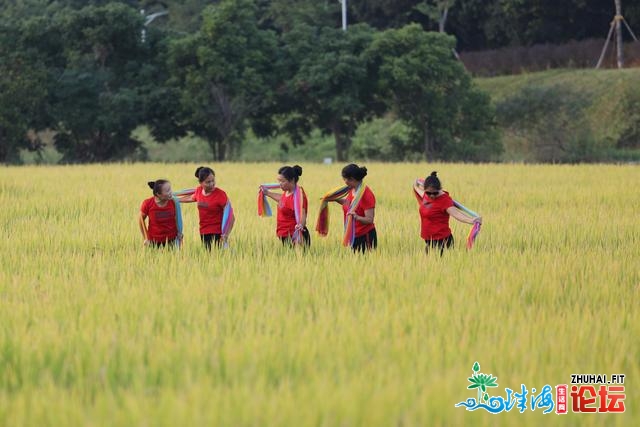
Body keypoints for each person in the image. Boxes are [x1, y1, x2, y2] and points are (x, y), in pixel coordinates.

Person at [414, 171, 482, 255]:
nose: (431, 195)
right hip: (429, 240)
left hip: (442, 241)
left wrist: (472, 220)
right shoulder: (425, 196)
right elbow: (416, 188)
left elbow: (456, 214)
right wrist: (416, 182)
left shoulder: (444, 200)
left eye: (435, 193)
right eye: (428, 193)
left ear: (439, 189)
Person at [179, 166, 235, 250]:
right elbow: (191, 198)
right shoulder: (198, 191)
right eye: (208, 182)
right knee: (208, 256)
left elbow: (231, 217)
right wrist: (174, 199)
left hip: (218, 232)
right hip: (204, 231)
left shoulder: (220, 194)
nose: (212, 184)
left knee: (218, 256)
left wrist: (226, 234)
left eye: (213, 181)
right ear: (201, 183)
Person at [261, 165, 310, 246]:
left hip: (295, 236)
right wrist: (268, 193)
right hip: (284, 235)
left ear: (292, 180)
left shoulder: (299, 196)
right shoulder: (287, 192)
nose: (280, 184)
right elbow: (284, 200)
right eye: (279, 181)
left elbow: (303, 214)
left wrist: (301, 225)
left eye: (282, 181)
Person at [335, 164, 377, 253]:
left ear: (353, 179)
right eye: (344, 179)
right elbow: (348, 204)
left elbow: (369, 219)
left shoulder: (366, 195)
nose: (345, 182)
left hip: (365, 236)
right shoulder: (352, 189)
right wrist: (334, 198)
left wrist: (357, 217)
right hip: (353, 235)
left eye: (347, 179)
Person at [139, 179, 182, 248]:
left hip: (172, 240)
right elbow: (140, 220)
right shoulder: (148, 203)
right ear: (158, 194)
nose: (171, 192)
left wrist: (179, 232)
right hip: (153, 242)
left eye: (170, 189)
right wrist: (146, 237)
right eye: (168, 191)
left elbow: (177, 218)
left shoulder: (173, 202)